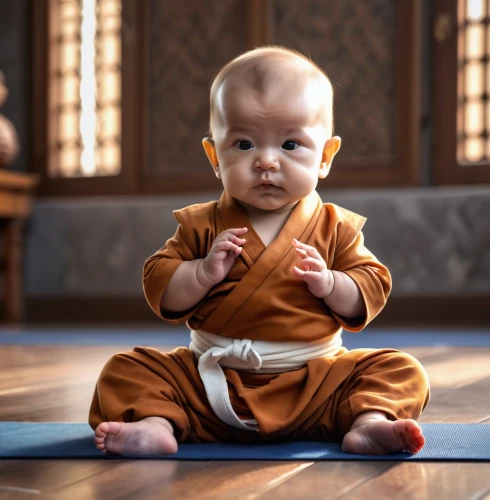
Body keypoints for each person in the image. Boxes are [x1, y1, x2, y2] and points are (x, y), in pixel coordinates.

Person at [89, 46, 430, 456]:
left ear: (324, 156)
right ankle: (158, 424)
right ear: (215, 156)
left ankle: (369, 421)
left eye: (290, 144)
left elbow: (369, 288)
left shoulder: (336, 228)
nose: (266, 162)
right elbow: (160, 285)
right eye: (244, 144)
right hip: (211, 385)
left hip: (315, 385)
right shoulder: (200, 225)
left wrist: (330, 283)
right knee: (126, 370)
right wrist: (200, 274)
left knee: (400, 370)